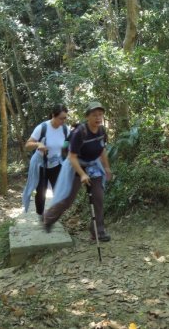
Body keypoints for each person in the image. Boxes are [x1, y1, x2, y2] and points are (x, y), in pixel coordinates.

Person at [43, 101, 113, 241]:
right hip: (75, 165)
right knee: (68, 199)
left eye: (100, 115)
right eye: (94, 115)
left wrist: (106, 168)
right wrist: (82, 174)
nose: (98, 118)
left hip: (93, 165)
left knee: (98, 197)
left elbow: (102, 150)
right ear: (87, 117)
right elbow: (72, 157)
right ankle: (48, 218)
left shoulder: (101, 131)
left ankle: (97, 231)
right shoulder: (79, 132)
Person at [22, 104, 70, 217]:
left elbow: (68, 144)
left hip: (56, 164)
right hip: (40, 164)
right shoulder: (42, 127)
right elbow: (27, 145)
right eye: (61, 118)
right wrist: (38, 144)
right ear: (53, 115)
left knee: (58, 191)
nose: (63, 121)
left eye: (65, 118)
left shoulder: (65, 129)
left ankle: (54, 215)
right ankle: (40, 214)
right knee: (41, 192)